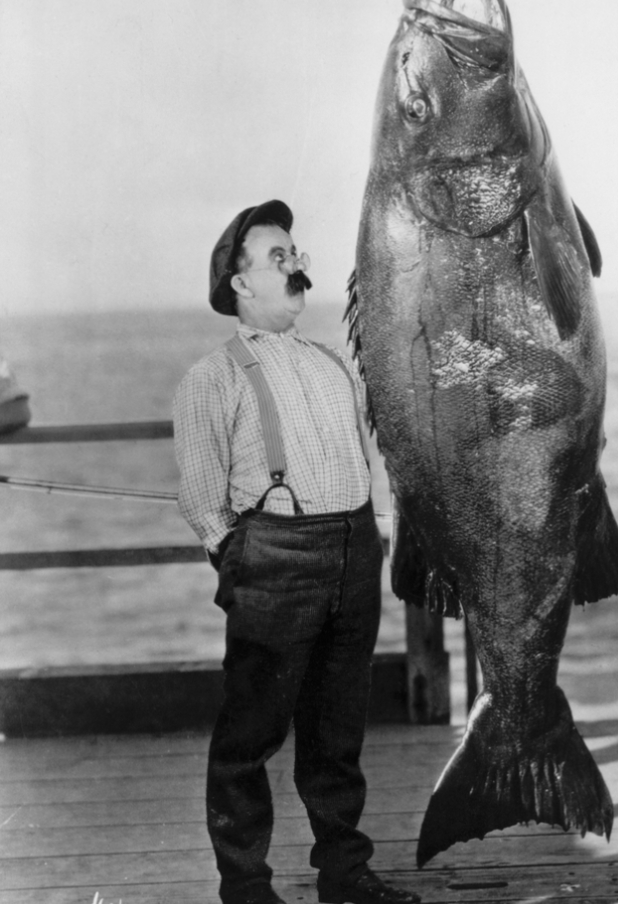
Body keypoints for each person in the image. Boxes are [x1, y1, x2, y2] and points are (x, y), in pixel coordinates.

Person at [173, 200, 422, 904]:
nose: (298, 265)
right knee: (249, 736)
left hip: (354, 554)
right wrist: (245, 563)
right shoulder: (212, 377)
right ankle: (246, 887)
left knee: (337, 732)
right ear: (240, 283)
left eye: (296, 251)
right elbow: (201, 498)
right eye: (278, 257)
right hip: (276, 564)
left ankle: (345, 873)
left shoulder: (331, 363)